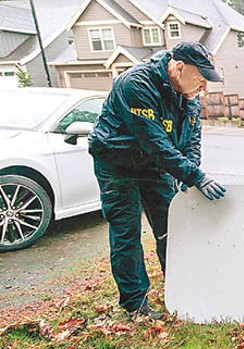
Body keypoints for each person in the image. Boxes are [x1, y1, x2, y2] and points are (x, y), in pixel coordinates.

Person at [89, 41, 226, 320]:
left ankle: (180, 288)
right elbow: (155, 142)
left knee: (171, 228)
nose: (204, 88)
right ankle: (135, 304)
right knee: (127, 233)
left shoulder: (187, 94)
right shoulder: (135, 84)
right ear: (178, 68)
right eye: (200, 79)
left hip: (155, 165)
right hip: (117, 163)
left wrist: (191, 171)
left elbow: (192, 139)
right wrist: (195, 176)